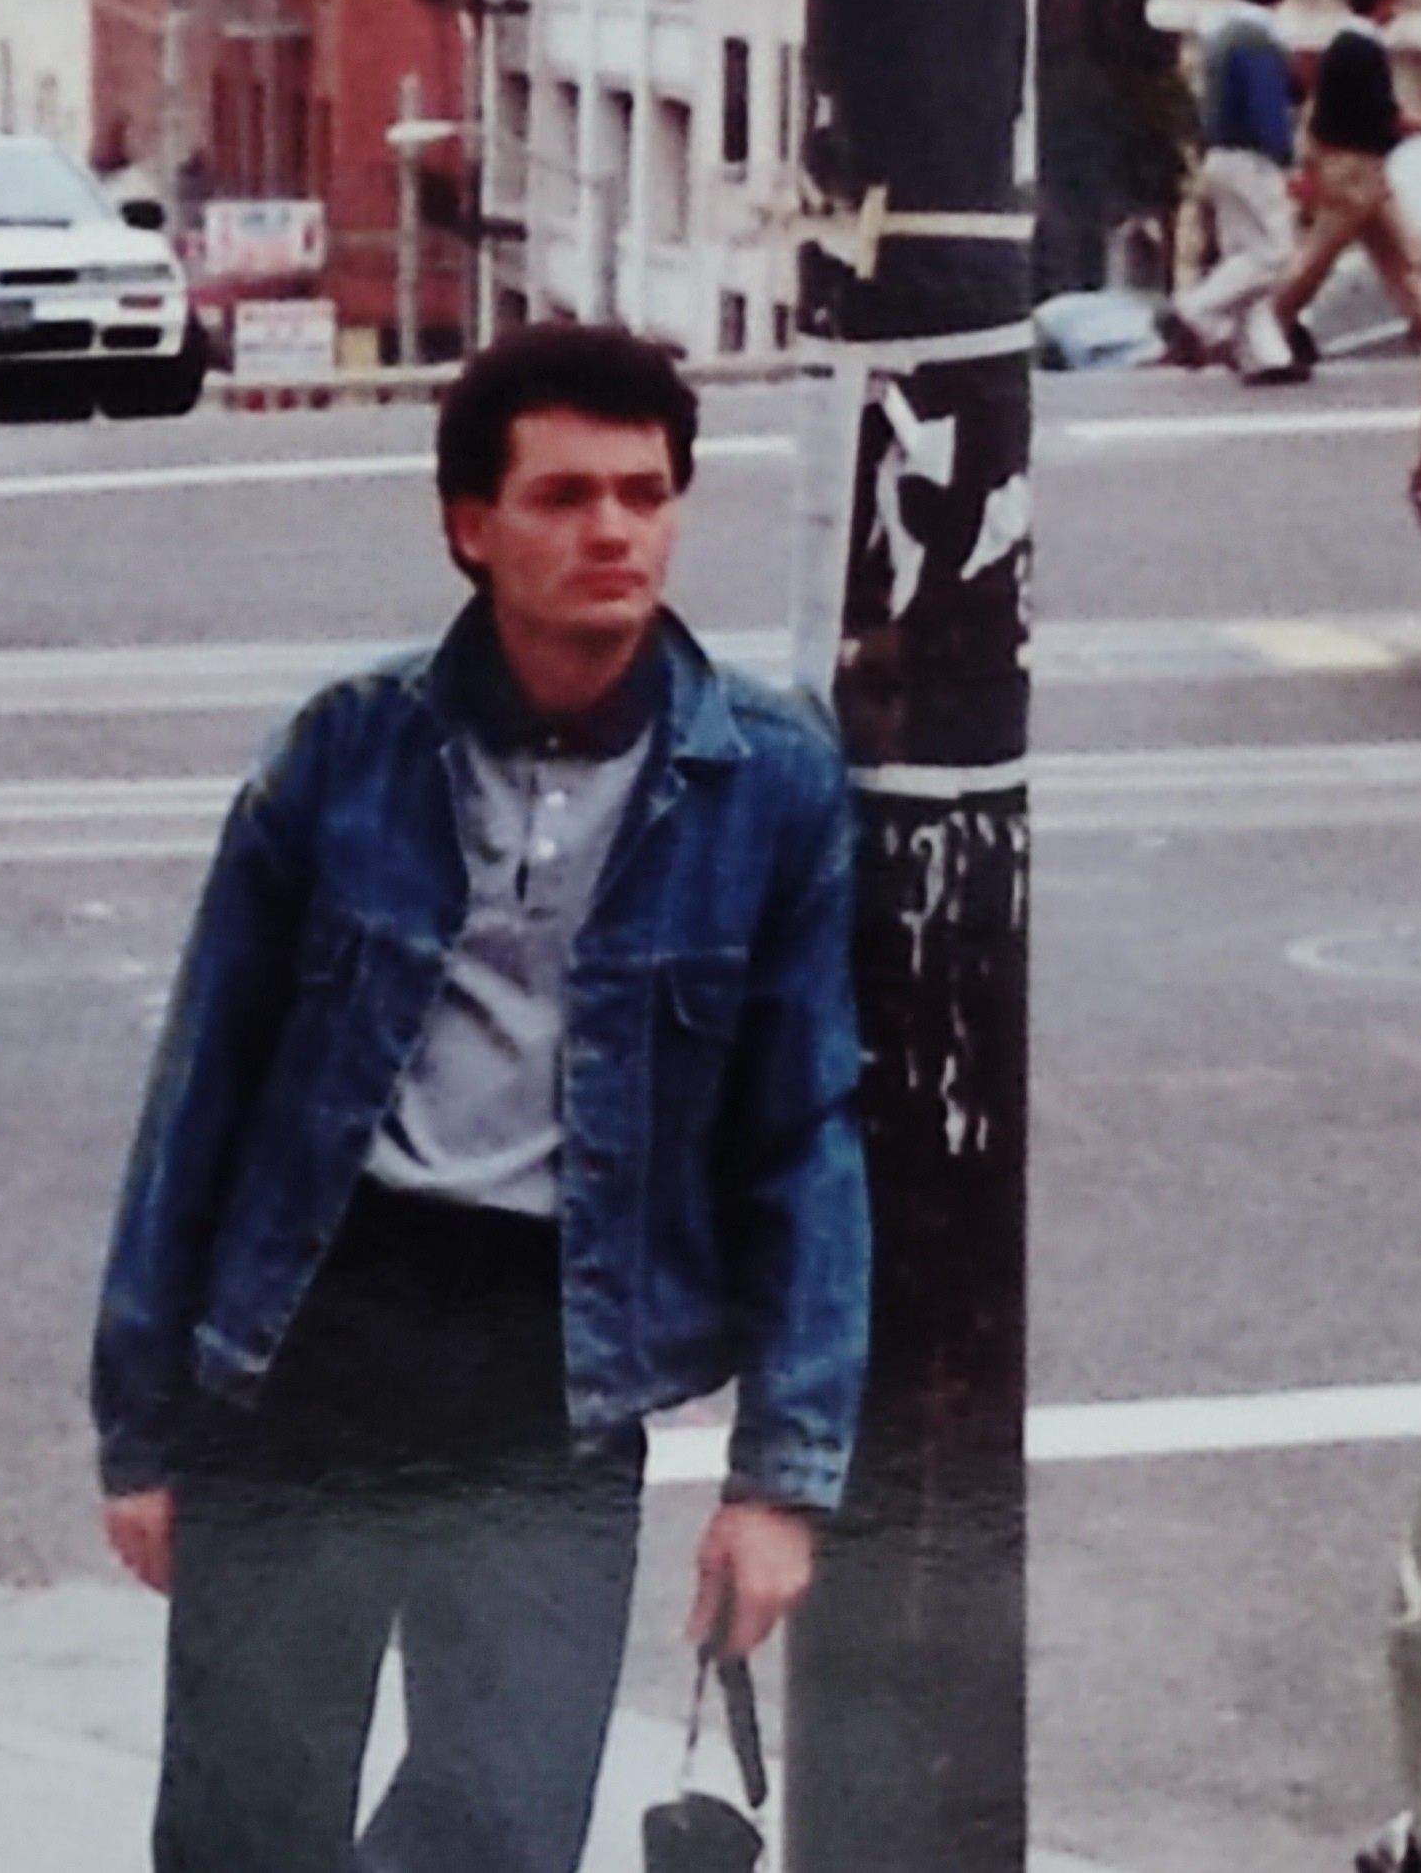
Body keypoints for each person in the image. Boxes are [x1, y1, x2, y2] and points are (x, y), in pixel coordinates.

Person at [91, 321, 868, 1873]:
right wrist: (142, 1426)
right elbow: (206, 1093)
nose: (613, 532)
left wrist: (783, 1481)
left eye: (645, 494)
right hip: (315, 1333)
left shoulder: (768, 782)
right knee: (248, 1824)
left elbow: (806, 1136)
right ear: (471, 525)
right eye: (565, 495)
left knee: (507, 1828)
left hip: (552, 1366)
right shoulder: (346, 750)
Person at [1254, 0, 1421, 383]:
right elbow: (1381, 116)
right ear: (1382, 1)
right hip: (1354, 173)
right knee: (1318, 260)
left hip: (1362, 173)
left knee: (1405, 255)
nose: (1397, 10)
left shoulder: (1343, 47)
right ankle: (1266, 324)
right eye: (1394, 0)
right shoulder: (1362, 50)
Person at [1162, 0, 1300, 370]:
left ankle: (1266, 356)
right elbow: (1266, 110)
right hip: (1252, 158)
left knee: (1244, 257)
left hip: (1218, 155)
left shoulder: (1220, 34)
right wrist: (1286, 159)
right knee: (1273, 256)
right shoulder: (1258, 39)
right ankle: (1194, 310)